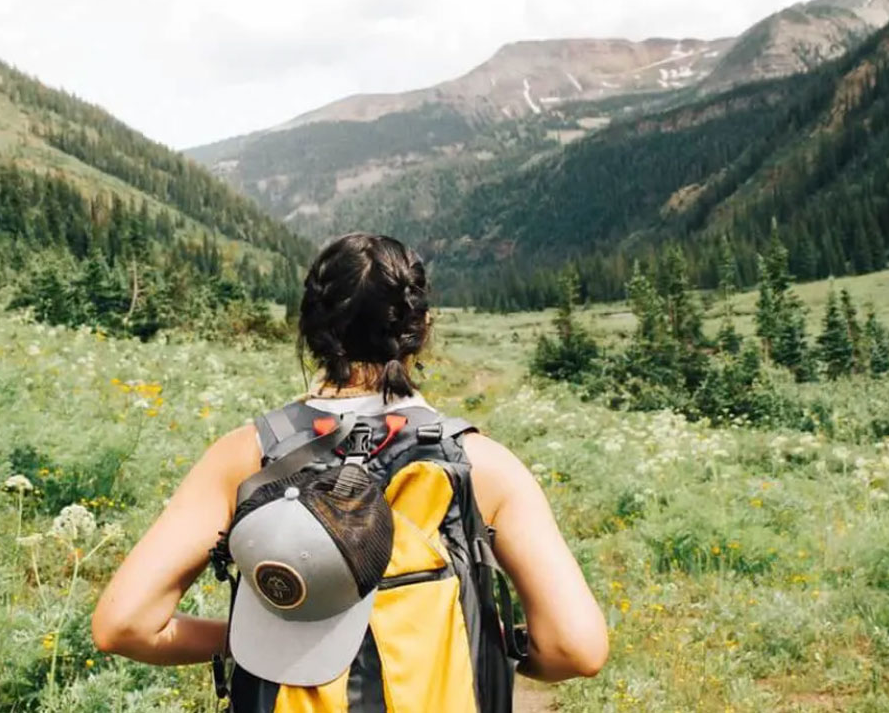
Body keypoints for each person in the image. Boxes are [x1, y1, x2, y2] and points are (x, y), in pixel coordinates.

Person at [93, 233, 607, 708]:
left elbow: (125, 625)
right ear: (421, 329)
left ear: (310, 330)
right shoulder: (482, 463)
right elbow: (576, 648)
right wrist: (493, 647)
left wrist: (248, 638)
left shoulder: (247, 455)